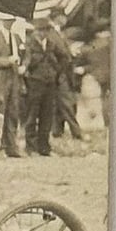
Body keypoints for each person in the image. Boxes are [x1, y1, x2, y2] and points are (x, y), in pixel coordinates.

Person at [0, 15, 27, 157]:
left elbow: (25, 55)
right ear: (1, 20)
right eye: (7, 20)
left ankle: (11, 147)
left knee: (13, 113)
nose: (10, 23)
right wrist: (7, 60)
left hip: (13, 80)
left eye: (12, 20)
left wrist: (24, 65)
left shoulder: (17, 38)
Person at [23, 16, 64, 156]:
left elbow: (64, 57)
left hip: (50, 83)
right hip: (34, 83)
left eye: (46, 30)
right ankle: (30, 147)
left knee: (47, 115)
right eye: (40, 30)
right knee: (32, 115)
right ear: (35, 31)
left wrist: (56, 71)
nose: (43, 33)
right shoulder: (29, 44)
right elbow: (27, 63)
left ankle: (44, 148)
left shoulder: (52, 44)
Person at [49, 8, 83, 141]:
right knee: (67, 103)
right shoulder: (52, 33)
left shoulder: (58, 32)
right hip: (59, 74)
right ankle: (76, 133)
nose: (65, 19)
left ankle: (57, 132)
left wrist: (70, 53)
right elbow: (54, 54)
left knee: (59, 105)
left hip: (61, 73)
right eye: (63, 16)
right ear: (57, 17)